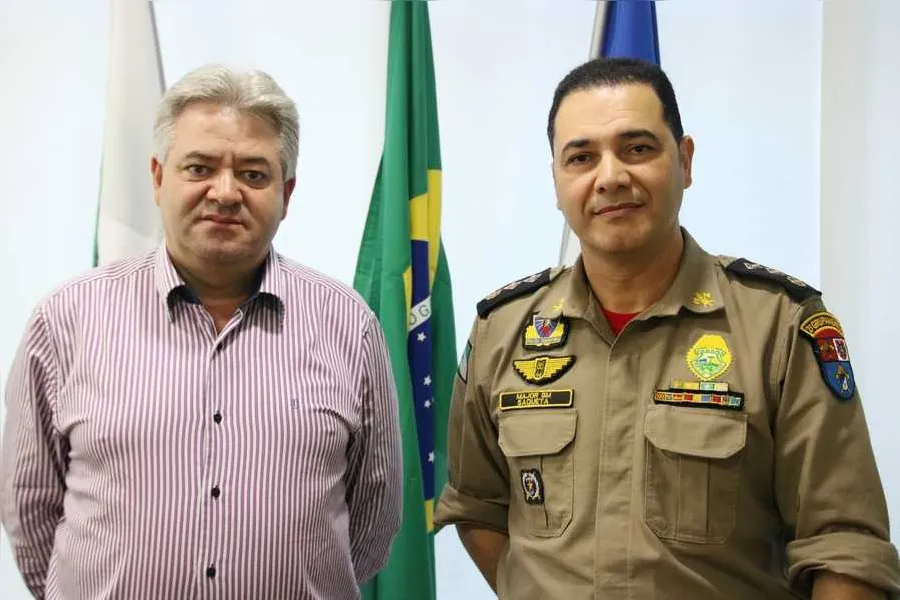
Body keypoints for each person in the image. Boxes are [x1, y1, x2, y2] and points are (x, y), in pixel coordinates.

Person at [433, 57, 900, 599]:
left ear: (685, 160)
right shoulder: (502, 331)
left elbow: (844, 547)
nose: (610, 177)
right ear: (557, 181)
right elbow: (478, 509)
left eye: (638, 149)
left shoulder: (779, 326)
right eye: (581, 157)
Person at [0, 65, 402, 599]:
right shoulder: (68, 319)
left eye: (254, 174)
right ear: (159, 177)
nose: (226, 192)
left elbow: (372, 519)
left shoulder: (348, 326)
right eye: (200, 167)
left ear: (287, 192)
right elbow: (31, 508)